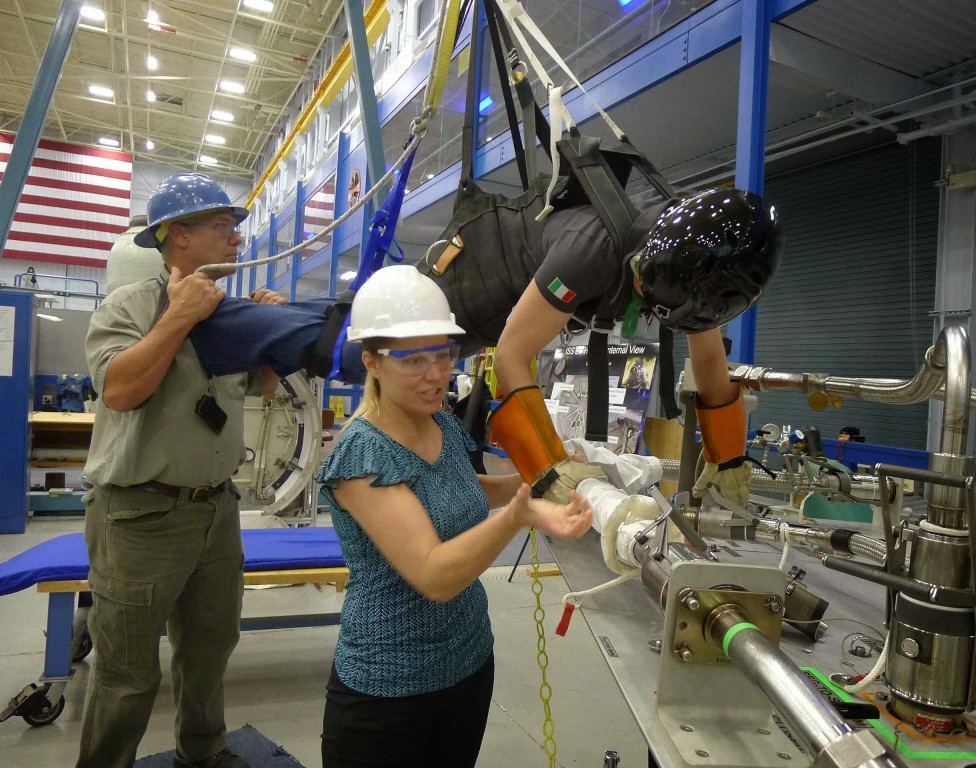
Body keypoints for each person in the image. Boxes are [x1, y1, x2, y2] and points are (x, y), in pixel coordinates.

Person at [185, 187, 780, 504]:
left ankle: (276, 315)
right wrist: (545, 470)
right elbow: (515, 357)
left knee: (355, 334)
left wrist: (728, 459)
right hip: (469, 284)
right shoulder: (594, 251)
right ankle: (220, 324)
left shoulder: (689, 264)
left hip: (500, 307)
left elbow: (708, 358)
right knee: (350, 350)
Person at [315, 265, 592, 767]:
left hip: (466, 663)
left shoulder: (439, 420)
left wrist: (533, 482)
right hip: (389, 690)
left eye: (443, 354)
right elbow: (434, 574)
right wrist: (517, 517)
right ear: (372, 362)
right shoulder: (362, 455)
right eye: (413, 360)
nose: (436, 374)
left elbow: (465, 488)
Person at [77, 172, 284, 768]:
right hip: (141, 514)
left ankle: (204, 749)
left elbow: (257, 386)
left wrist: (266, 336)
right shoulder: (129, 307)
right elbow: (120, 390)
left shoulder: (230, 313)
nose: (237, 240)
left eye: (236, 229)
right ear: (177, 235)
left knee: (210, 647)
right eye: (224, 227)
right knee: (126, 672)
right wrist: (179, 316)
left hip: (216, 510)